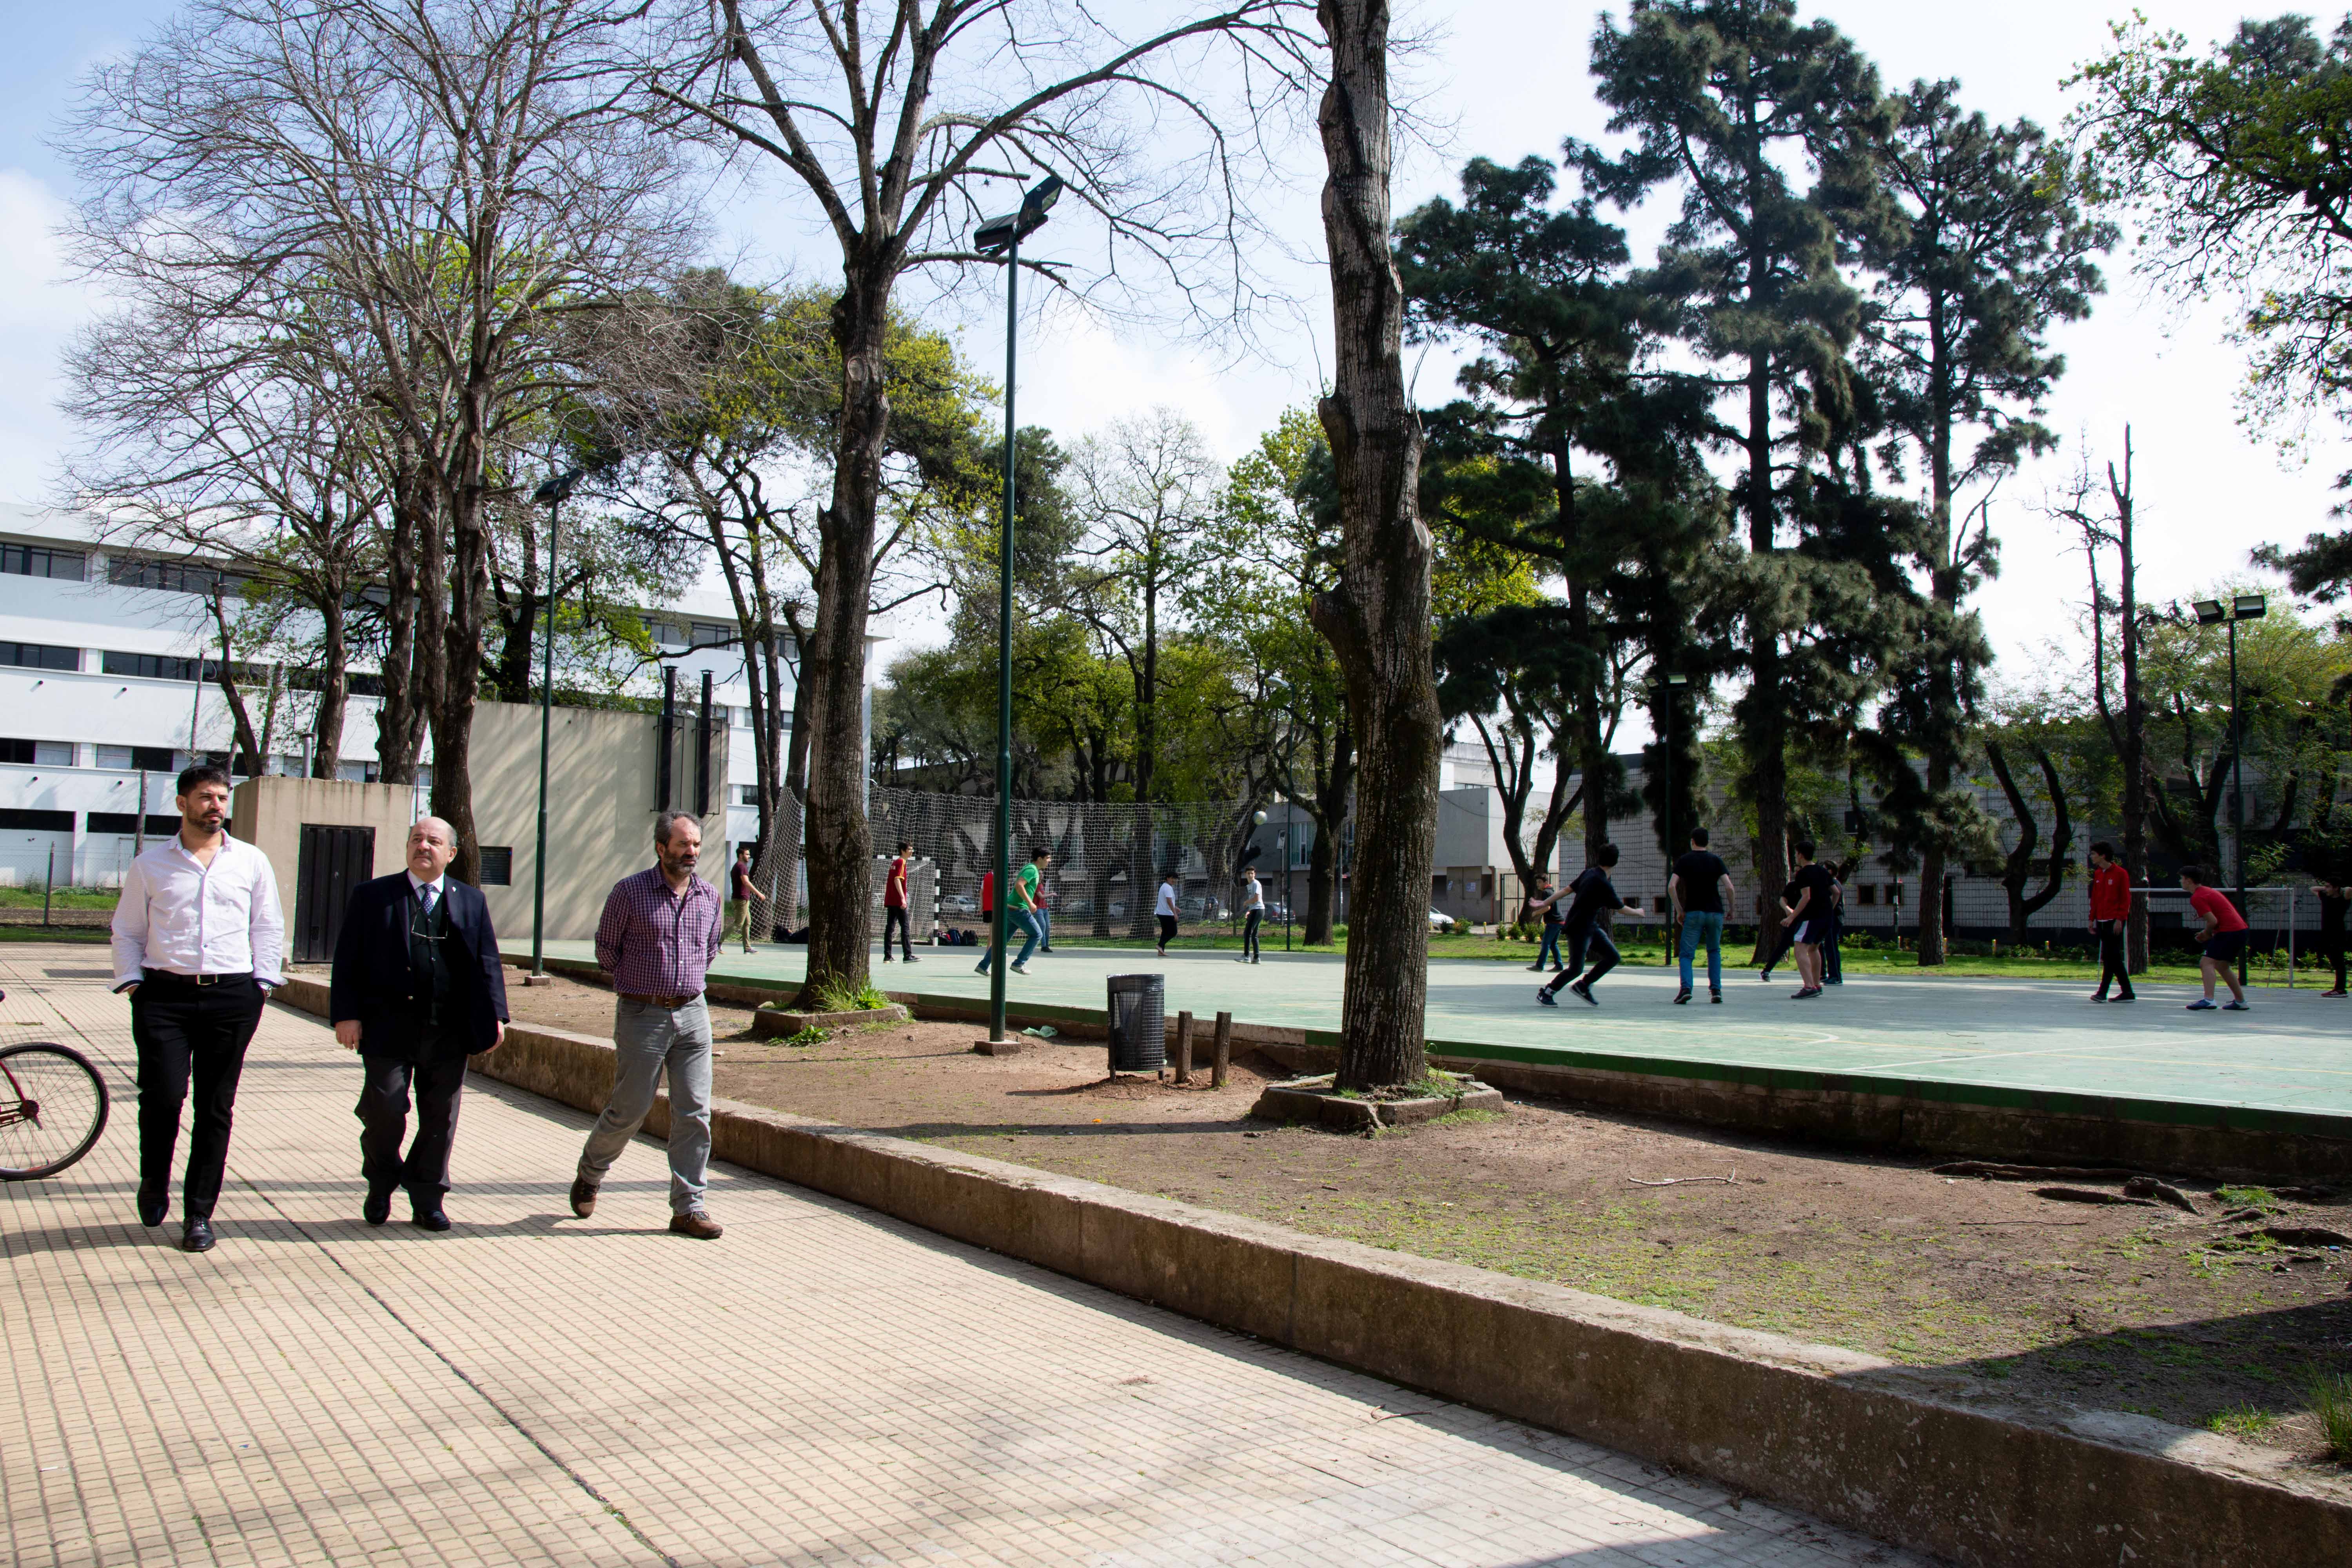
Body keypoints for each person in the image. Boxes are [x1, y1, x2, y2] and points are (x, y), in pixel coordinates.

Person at [109, 763, 283, 1253]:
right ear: (183, 803)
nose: (217, 807)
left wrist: (262, 985)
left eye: (223, 798)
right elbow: (127, 931)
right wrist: (133, 984)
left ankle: (199, 1213)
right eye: (207, 797)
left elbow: (268, 927)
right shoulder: (150, 865)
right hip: (164, 997)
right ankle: (153, 1181)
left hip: (232, 997)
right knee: (163, 1095)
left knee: (215, 1106)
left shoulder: (250, 861)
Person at [329, 817, 508, 1230]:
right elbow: (348, 959)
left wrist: (497, 1014)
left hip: (449, 1028)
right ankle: (381, 1180)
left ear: (451, 853)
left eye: (433, 841)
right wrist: (346, 1015)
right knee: (385, 1109)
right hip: (385, 1027)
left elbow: (487, 961)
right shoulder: (373, 896)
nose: (423, 846)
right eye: (416, 839)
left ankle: (428, 1197)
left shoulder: (470, 900)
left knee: (440, 1117)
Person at [570, 812, 726, 1239]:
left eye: (696, 844)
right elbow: (607, 951)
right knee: (630, 1109)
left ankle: (689, 1209)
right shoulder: (629, 892)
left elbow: (710, 948)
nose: (691, 852)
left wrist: (683, 986)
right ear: (662, 847)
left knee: (694, 1112)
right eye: (683, 844)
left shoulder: (709, 896)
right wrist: (644, 986)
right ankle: (591, 1172)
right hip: (643, 1015)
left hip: (694, 1015)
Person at [1535, 845, 1637, 1007]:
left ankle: (1583, 986)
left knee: (1613, 957)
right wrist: (1639, 912)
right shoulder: (1603, 883)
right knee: (1576, 969)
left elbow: (1566, 890)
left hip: (1591, 927)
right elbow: (1622, 909)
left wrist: (1545, 902)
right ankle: (1547, 993)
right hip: (1579, 928)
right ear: (1615, 862)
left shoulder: (1589, 873)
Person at [1668, 828, 1735, 1005]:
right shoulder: (1716, 860)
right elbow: (1729, 887)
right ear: (1707, 842)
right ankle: (1716, 990)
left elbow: (1671, 887)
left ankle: (1686, 989)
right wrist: (1732, 909)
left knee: (1687, 954)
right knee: (1714, 951)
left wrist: (1680, 910)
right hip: (1715, 912)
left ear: (1693, 841)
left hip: (1694, 912)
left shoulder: (1685, 861)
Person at [2181, 865, 2251, 1012]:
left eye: (2182, 879)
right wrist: (2208, 933)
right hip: (2240, 931)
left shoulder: (2198, 897)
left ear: (2188, 880)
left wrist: (2206, 934)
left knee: (2206, 962)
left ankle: (2209, 1000)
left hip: (2230, 932)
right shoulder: (2207, 892)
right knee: (2222, 965)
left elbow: (2213, 922)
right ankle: (2241, 1001)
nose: (2180, 881)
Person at [1779, 839, 1836, 1001]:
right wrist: (1829, 910)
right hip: (1826, 917)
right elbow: (1836, 892)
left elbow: (1806, 897)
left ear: (1801, 855)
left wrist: (1792, 917)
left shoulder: (1803, 873)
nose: (1795, 856)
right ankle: (1817, 985)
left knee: (1800, 949)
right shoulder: (1823, 871)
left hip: (1811, 917)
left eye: (1796, 854)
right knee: (1813, 949)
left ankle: (1809, 986)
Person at [977, 848, 1049, 975]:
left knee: (1001, 940)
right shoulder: (1032, 869)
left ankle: (983, 966)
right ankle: (1019, 963)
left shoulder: (1031, 869)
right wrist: (1030, 903)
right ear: (1040, 859)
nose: (1050, 861)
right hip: (1018, 910)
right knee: (1037, 934)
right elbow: (1019, 885)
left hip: (1011, 908)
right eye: (1048, 858)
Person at [2088, 842, 2136, 1003]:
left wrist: (2120, 920)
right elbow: (2095, 898)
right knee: (2112, 958)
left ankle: (2103, 992)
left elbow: (2125, 899)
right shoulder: (2098, 874)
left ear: (2103, 856)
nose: (2092, 857)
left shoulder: (2121, 873)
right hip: (2101, 920)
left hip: (2113, 921)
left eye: (2094, 854)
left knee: (2110, 957)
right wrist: (2092, 918)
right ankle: (2127, 992)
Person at [2313, 877, 2349, 997]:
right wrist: (2326, 888)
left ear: (2336, 888)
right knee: (2333, 959)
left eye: (2329, 887)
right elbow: (2312, 889)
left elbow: (2349, 889)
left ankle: (2340, 989)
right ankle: (2339, 988)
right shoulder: (2325, 898)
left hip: (2338, 933)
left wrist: (2340, 889)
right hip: (2326, 933)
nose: (2326, 889)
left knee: (2339, 961)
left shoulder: (2343, 900)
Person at [882, 841, 917, 963]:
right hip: (898, 901)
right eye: (910, 850)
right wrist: (903, 898)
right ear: (903, 851)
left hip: (891, 901)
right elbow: (897, 880)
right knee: (905, 928)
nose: (912, 852)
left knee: (890, 928)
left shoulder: (895, 862)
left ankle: (887, 956)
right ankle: (908, 956)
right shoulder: (901, 862)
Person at [728, 847, 767, 955]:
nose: (749, 856)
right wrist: (759, 893)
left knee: (747, 923)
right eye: (747, 854)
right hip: (742, 900)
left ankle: (747, 948)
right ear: (741, 856)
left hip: (741, 899)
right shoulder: (742, 867)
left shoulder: (737, 867)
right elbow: (746, 882)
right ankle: (718, 942)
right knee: (739, 924)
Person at [1526, 878, 1561, 973]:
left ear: (1546, 883)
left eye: (1540, 882)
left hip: (1554, 922)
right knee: (1553, 944)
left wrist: (1536, 913)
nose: (1538, 884)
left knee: (1546, 944)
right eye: (1537, 882)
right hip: (1559, 921)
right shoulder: (1551, 891)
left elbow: (1547, 907)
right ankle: (1559, 966)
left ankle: (1539, 966)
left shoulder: (1546, 892)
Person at [1238, 867, 1265, 964]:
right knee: (1254, 935)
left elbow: (1256, 899)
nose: (1250, 875)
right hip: (1255, 910)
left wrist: (1246, 902)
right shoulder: (1249, 886)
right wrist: (1249, 911)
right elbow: (1252, 902)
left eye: (1252, 873)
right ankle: (1257, 958)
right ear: (1246, 874)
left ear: (1255, 874)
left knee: (1247, 932)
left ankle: (1246, 956)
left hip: (1259, 910)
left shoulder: (1256, 884)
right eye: (1249, 873)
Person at [1155, 872, 1181, 956]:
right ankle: (1160, 945)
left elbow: (1168, 901)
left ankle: (1161, 951)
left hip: (1161, 913)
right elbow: (1169, 901)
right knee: (1174, 932)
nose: (1174, 880)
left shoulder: (1164, 886)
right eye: (1172, 878)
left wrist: (1175, 908)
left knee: (1165, 932)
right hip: (1167, 914)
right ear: (1168, 878)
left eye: (1175, 879)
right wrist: (1175, 914)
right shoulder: (1168, 888)